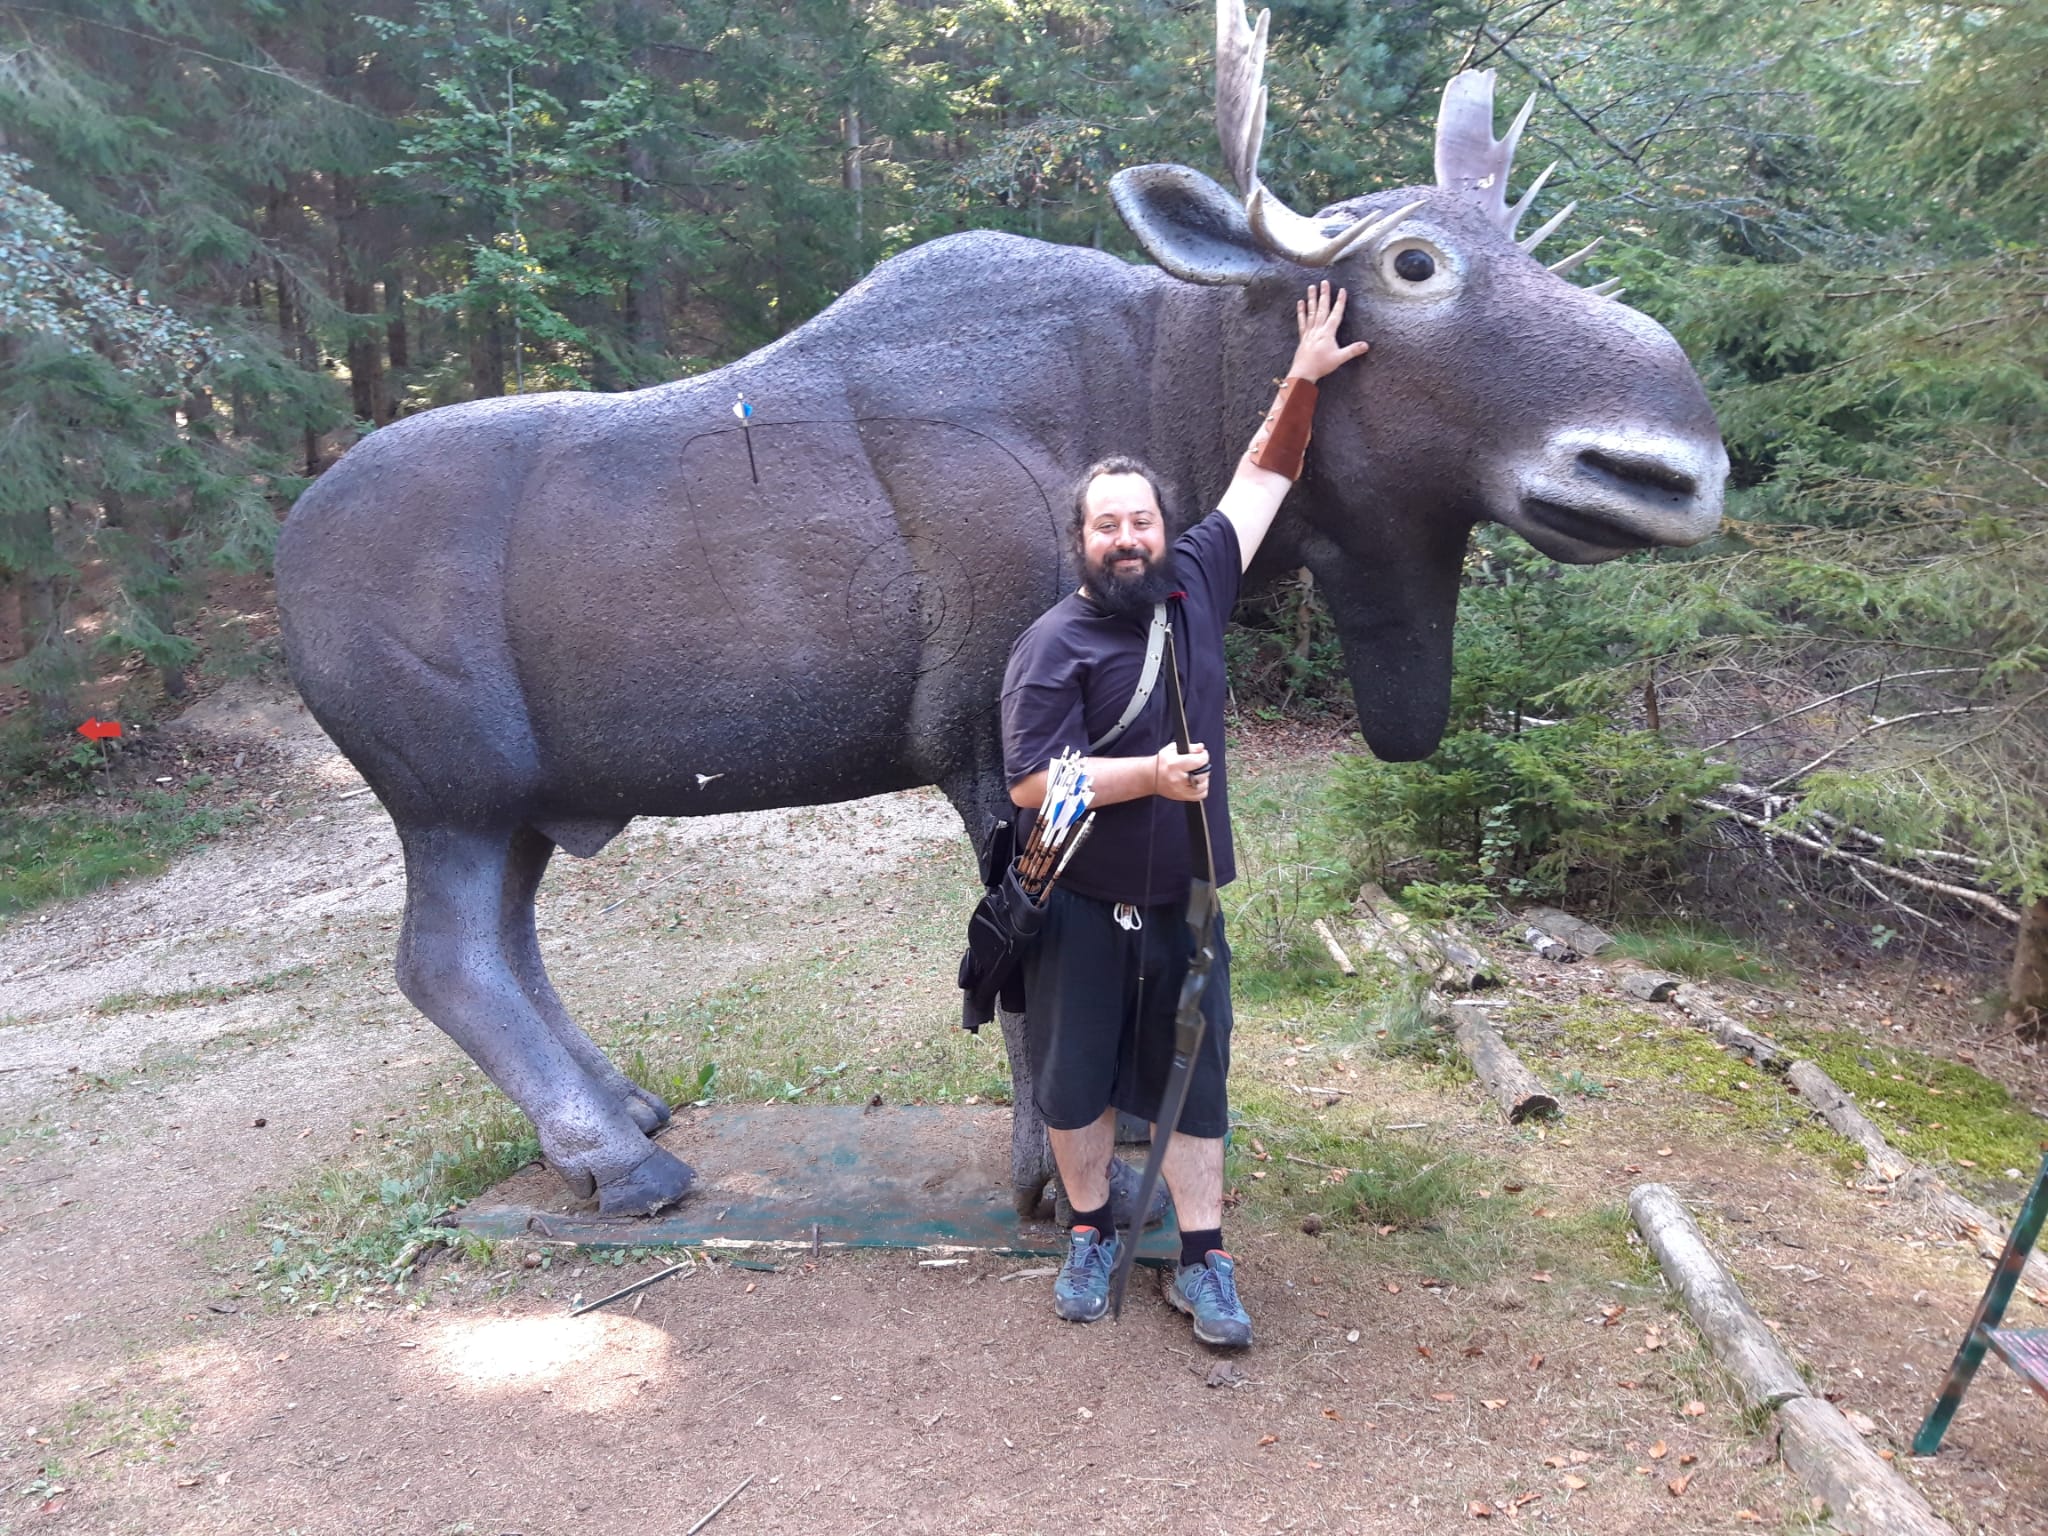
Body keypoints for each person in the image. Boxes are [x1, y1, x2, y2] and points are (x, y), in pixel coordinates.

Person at [1000, 281, 1370, 1346]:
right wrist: (1144, 778)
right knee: (1072, 1086)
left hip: (1186, 897)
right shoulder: (1050, 647)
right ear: (1080, 539)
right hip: (1073, 896)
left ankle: (1204, 1257)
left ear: (1164, 529)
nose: (1127, 536)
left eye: (1141, 519)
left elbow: (1265, 475)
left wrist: (1301, 375)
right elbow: (1031, 787)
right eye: (1106, 523)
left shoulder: (1198, 580)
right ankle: (1088, 1229)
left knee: (1192, 1079)